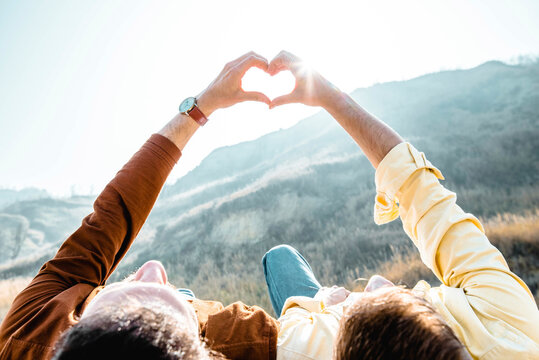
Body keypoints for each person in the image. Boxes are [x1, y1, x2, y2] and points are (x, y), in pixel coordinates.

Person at [0, 52, 280, 360]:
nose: (155, 269)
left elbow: (113, 214)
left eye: (120, 315)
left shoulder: (28, 332)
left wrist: (201, 106)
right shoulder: (261, 343)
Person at [261, 51, 539, 359]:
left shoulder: (302, 344)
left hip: (318, 320)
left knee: (279, 257)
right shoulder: (508, 321)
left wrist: (325, 304)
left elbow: (271, 335)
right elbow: (414, 184)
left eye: (374, 297)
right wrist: (329, 96)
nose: (377, 282)